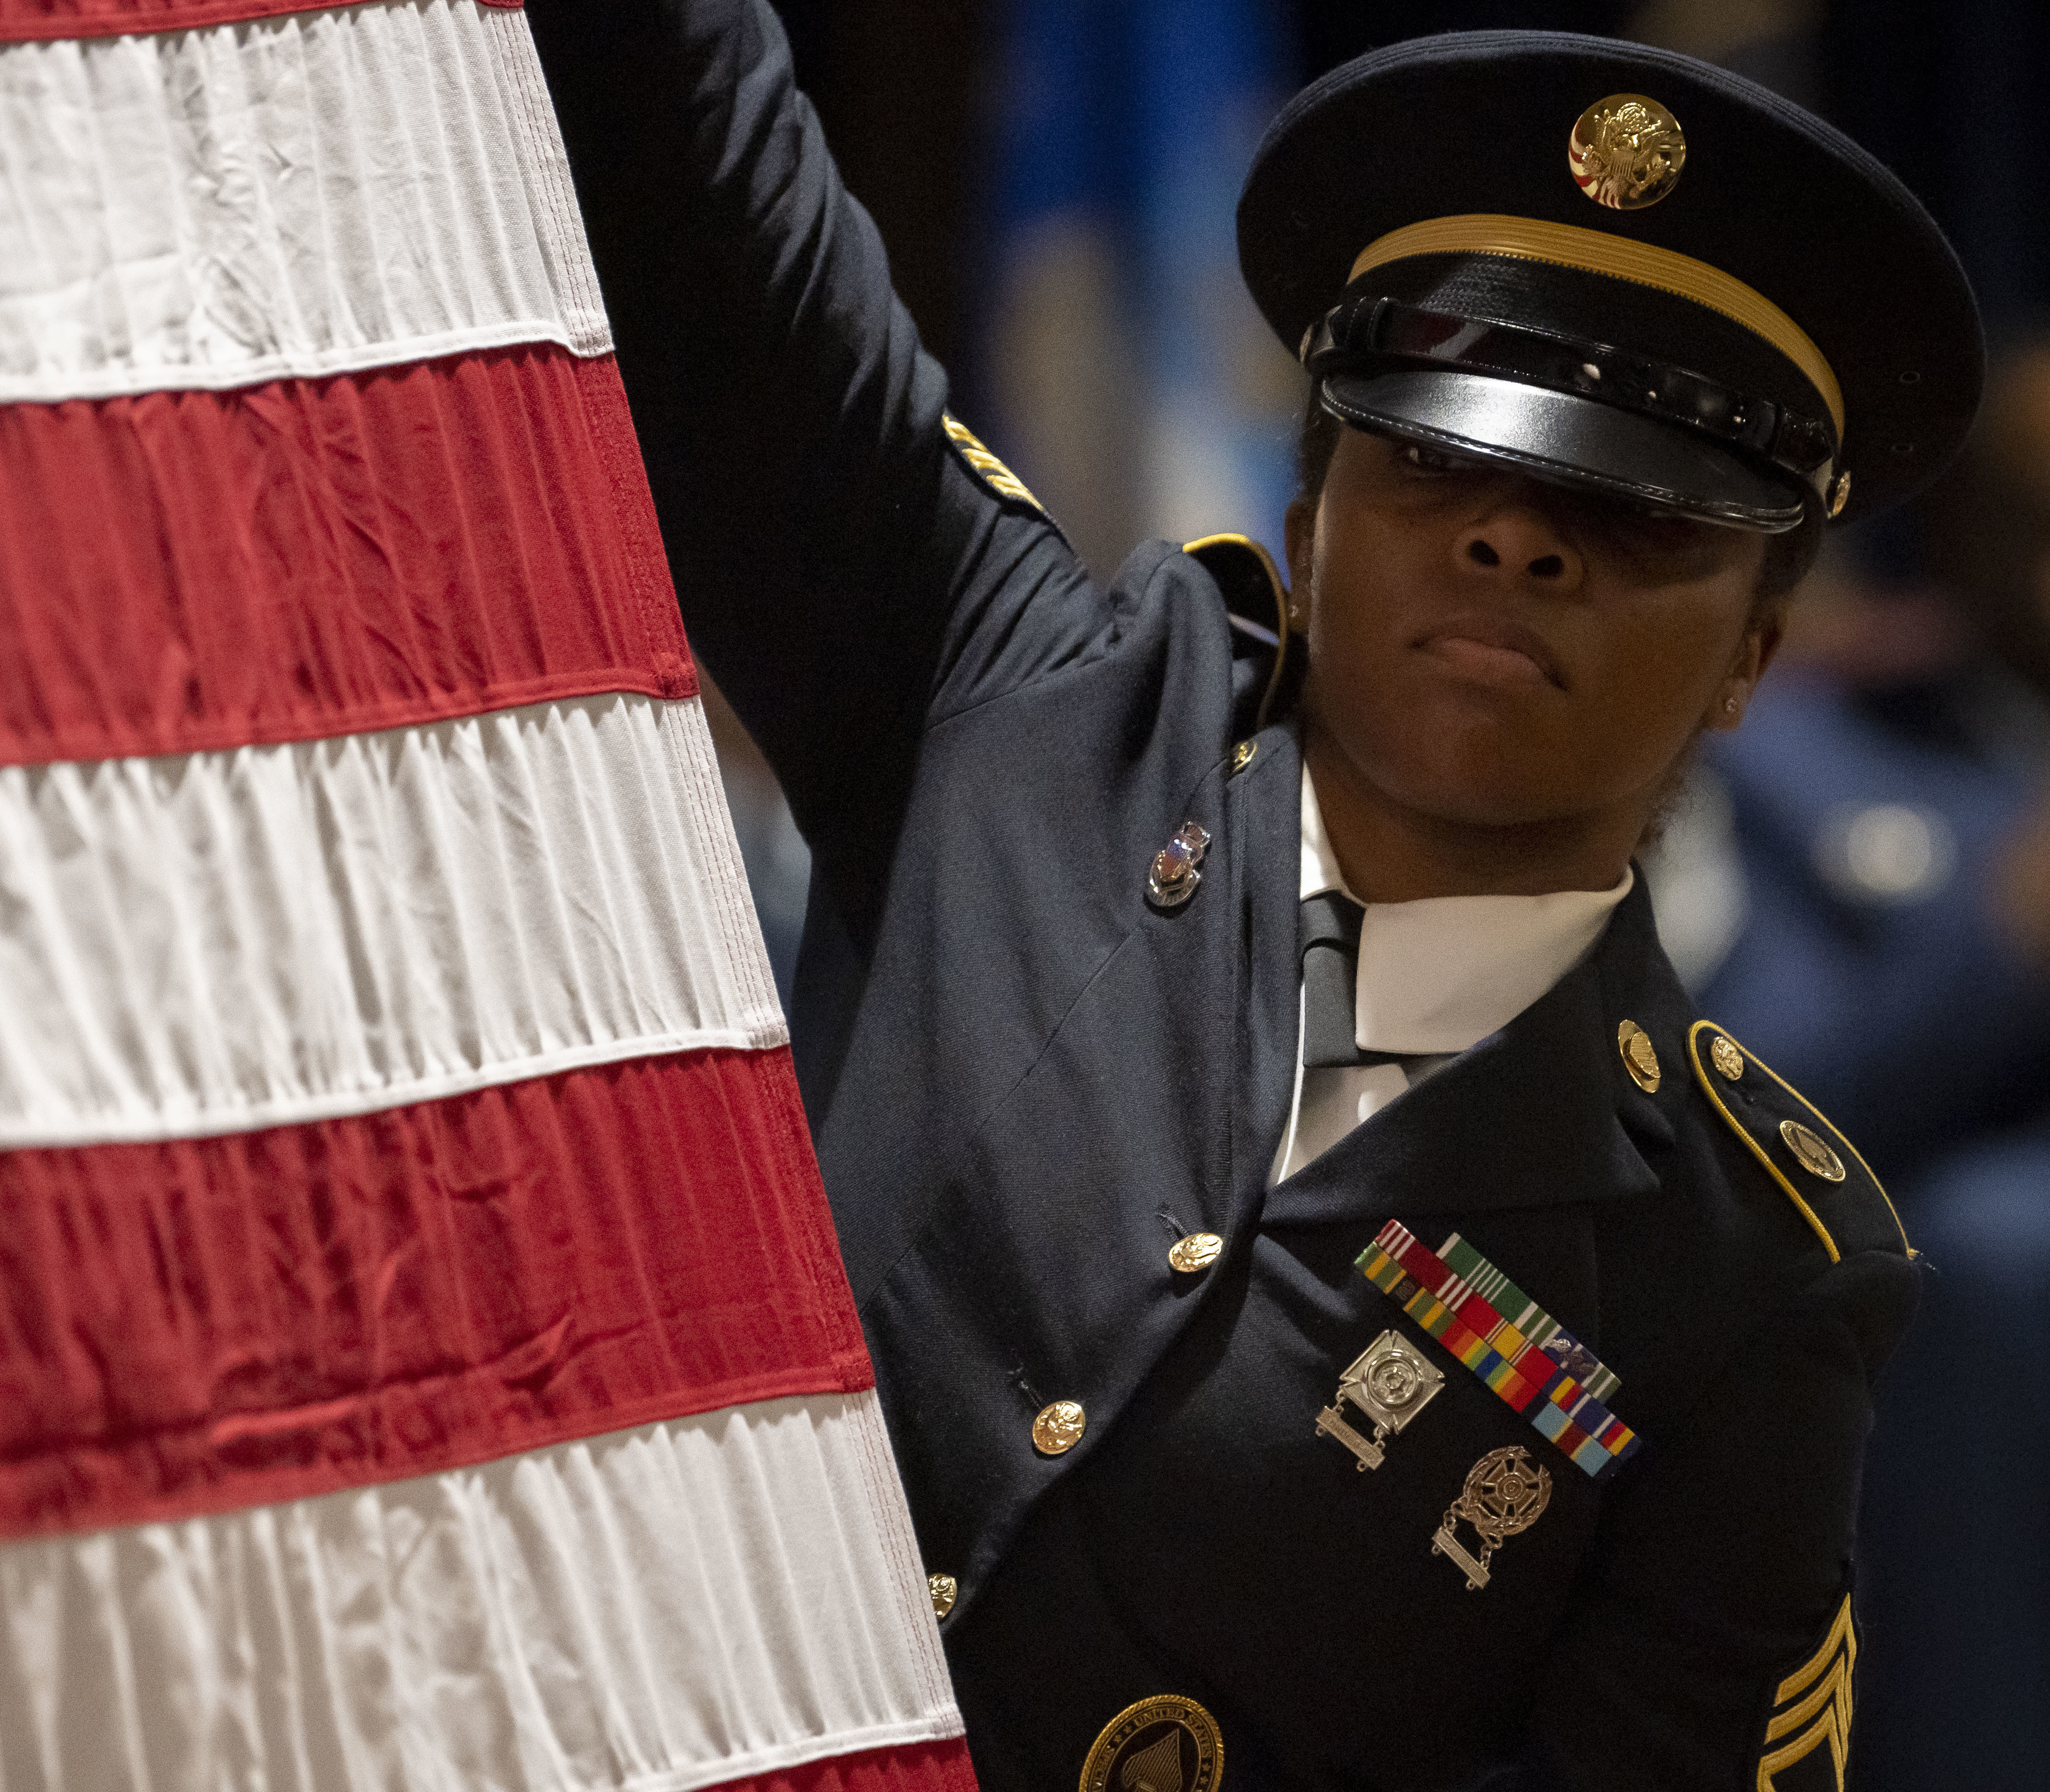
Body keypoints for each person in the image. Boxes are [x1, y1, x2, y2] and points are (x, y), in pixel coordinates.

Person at [526, 9, 1982, 1790]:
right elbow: (690, 184)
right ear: (1308, 522)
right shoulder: (1015, 707)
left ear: (1756, 650)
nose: (1514, 540)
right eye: (1442, 455)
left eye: (1630, 510)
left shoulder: (1748, 1281)